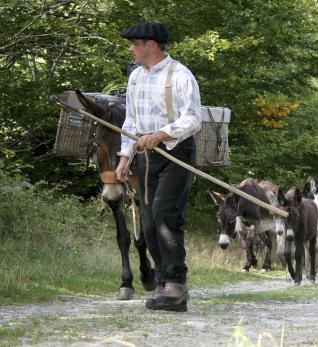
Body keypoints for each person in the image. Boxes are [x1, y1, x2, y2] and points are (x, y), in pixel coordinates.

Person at [115, 22, 202, 312]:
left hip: (176, 153)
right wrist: (125, 157)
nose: (131, 49)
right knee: (149, 223)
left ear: (151, 44)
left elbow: (192, 119)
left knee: (165, 215)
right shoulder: (136, 77)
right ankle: (166, 286)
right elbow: (130, 123)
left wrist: (161, 134)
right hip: (145, 157)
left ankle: (177, 284)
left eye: (135, 43)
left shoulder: (180, 75)